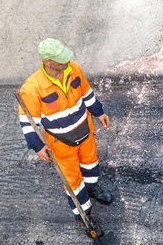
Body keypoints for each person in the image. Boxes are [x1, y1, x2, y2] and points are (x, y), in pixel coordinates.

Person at [17, 38, 113, 227]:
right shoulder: (32, 88)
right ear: (47, 62)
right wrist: (37, 146)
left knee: (91, 164)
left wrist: (99, 112)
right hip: (62, 143)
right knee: (73, 180)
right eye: (61, 58)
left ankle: (92, 189)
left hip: (85, 133)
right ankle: (84, 215)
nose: (67, 60)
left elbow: (86, 93)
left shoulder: (73, 69)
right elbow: (28, 123)